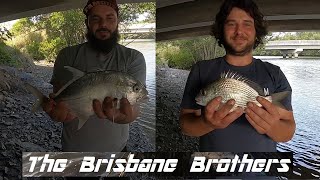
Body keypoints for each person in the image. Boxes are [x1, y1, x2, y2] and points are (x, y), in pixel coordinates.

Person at [179, 0, 295, 152]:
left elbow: (288, 131)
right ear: (221, 29)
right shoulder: (201, 69)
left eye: (247, 23)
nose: (239, 31)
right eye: (231, 24)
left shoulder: (274, 73)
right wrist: (207, 123)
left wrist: (272, 126)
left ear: (256, 31)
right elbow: (185, 126)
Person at [43, 0, 146, 152]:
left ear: (118, 21)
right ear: (87, 23)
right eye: (96, 18)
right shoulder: (67, 55)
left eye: (110, 18)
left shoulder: (134, 57)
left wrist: (123, 117)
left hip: (118, 149)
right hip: (75, 149)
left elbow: (135, 108)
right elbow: (60, 95)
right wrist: (58, 111)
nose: (103, 24)